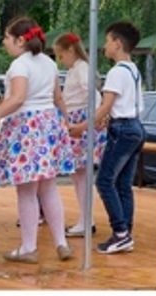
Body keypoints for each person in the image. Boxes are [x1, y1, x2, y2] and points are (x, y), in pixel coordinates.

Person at [0, 18, 73, 264]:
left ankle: (29, 247)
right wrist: (65, 122)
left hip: (26, 127)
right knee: (49, 188)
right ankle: (61, 242)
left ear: (20, 40)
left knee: (26, 191)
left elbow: (17, 99)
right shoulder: (49, 63)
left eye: (7, 37)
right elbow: (58, 97)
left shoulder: (19, 66)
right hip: (49, 123)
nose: (5, 42)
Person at [92, 21, 145, 255]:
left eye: (107, 41)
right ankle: (126, 233)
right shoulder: (133, 69)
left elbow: (106, 106)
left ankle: (121, 233)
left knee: (104, 181)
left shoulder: (116, 72)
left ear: (117, 43)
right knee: (123, 184)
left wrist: (86, 125)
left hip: (122, 130)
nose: (105, 46)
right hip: (135, 127)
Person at [52, 32, 106, 238]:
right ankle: (85, 219)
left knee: (81, 176)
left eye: (61, 55)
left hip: (80, 123)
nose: (60, 60)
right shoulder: (79, 68)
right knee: (79, 176)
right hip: (78, 119)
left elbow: (93, 93)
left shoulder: (82, 69)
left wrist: (89, 120)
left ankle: (86, 220)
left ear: (70, 51)